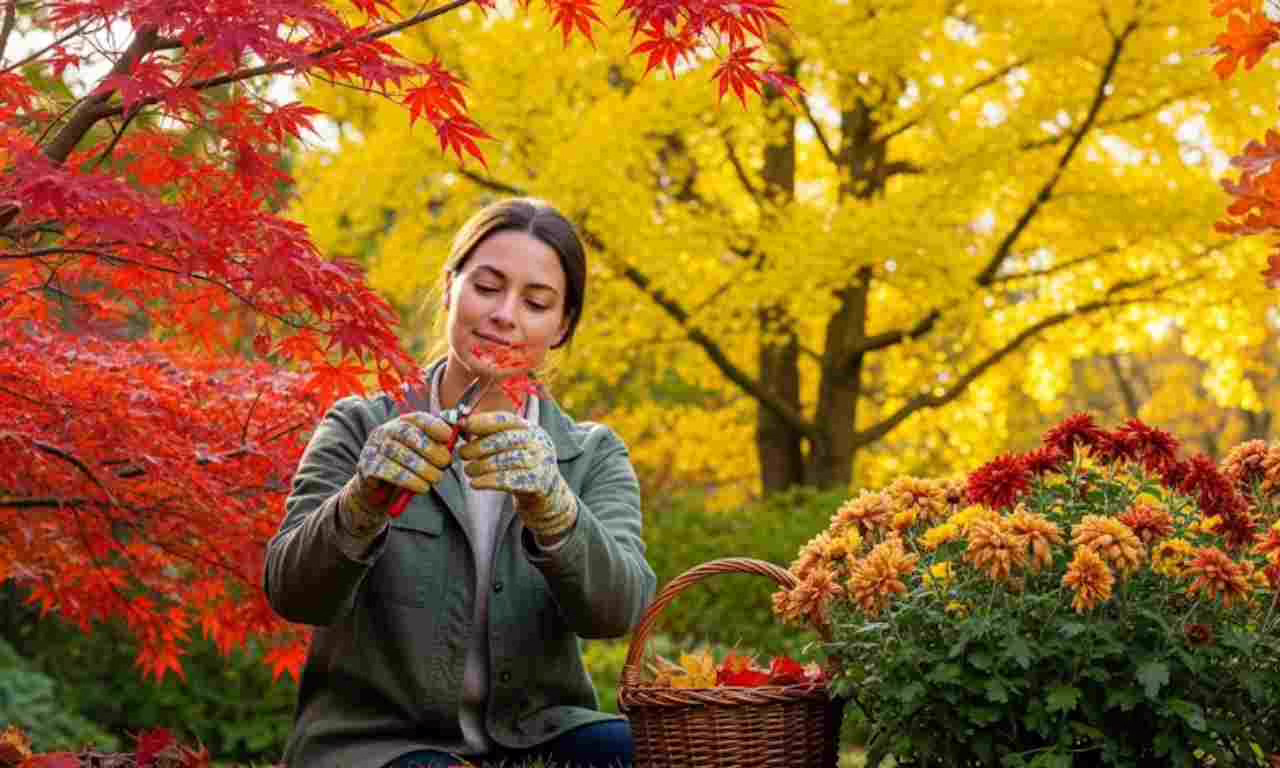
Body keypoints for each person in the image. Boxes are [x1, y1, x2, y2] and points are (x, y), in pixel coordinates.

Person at [264, 198, 657, 768]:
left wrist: (554, 509)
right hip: (382, 743)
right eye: (487, 287)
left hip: (539, 735)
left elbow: (617, 611)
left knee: (656, 752)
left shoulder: (590, 454)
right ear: (449, 287)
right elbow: (291, 592)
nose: (504, 315)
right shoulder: (360, 426)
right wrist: (362, 502)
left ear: (562, 325)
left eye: (536, 302)